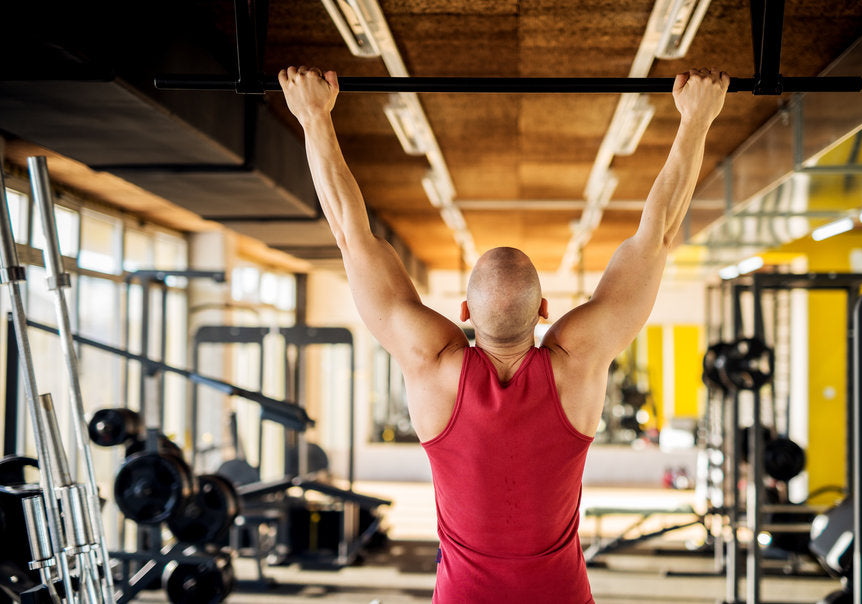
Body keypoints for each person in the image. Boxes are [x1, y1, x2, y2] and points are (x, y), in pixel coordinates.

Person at [279, 65, 729, 603]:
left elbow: (352, 236)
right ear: (544, 309)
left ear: (464, 310)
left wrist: (314, 116)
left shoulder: (433, 365)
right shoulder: (576, 363)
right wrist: (696, 121)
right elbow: (655, 236)